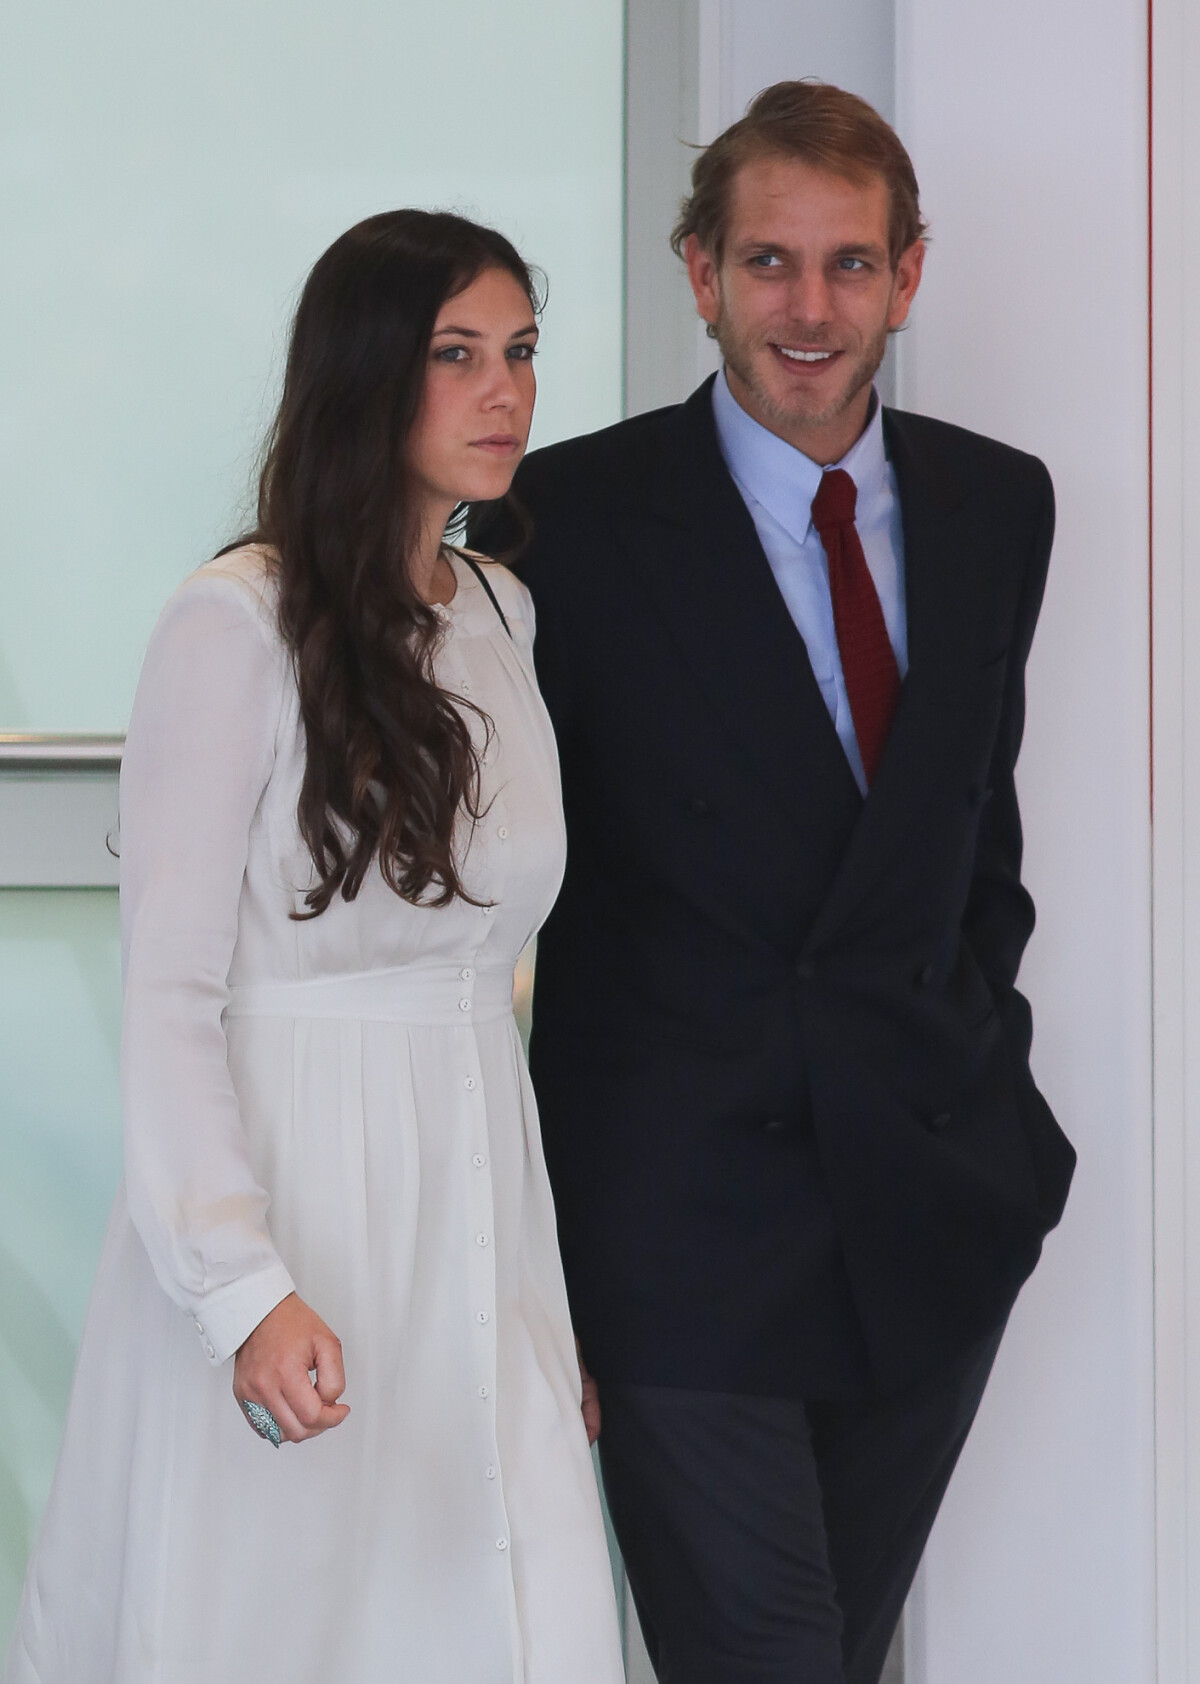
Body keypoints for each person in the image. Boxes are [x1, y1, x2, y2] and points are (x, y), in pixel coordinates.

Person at [472, 81, 1076, 1684]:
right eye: (768, 265)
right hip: (675, 1232)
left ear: (909, 274)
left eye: (850, 266)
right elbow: (495, 884)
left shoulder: (994, 503)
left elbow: (976, 852)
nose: (810, 311)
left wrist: (985, 1086)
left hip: (924, 1209)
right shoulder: (558, 523)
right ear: (699, 275)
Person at [5, 210, 624, 1684]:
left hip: (478, 1209)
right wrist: (241, 1284)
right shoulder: (236, 623)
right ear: (365, 378)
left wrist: (541, 1307)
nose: (505, 394)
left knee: (493, 1617)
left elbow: (498, 991)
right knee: (278, 1618)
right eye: (456, 356)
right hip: (300, 1217)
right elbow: (166, 997)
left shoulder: (502, 615)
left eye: (522, 353)